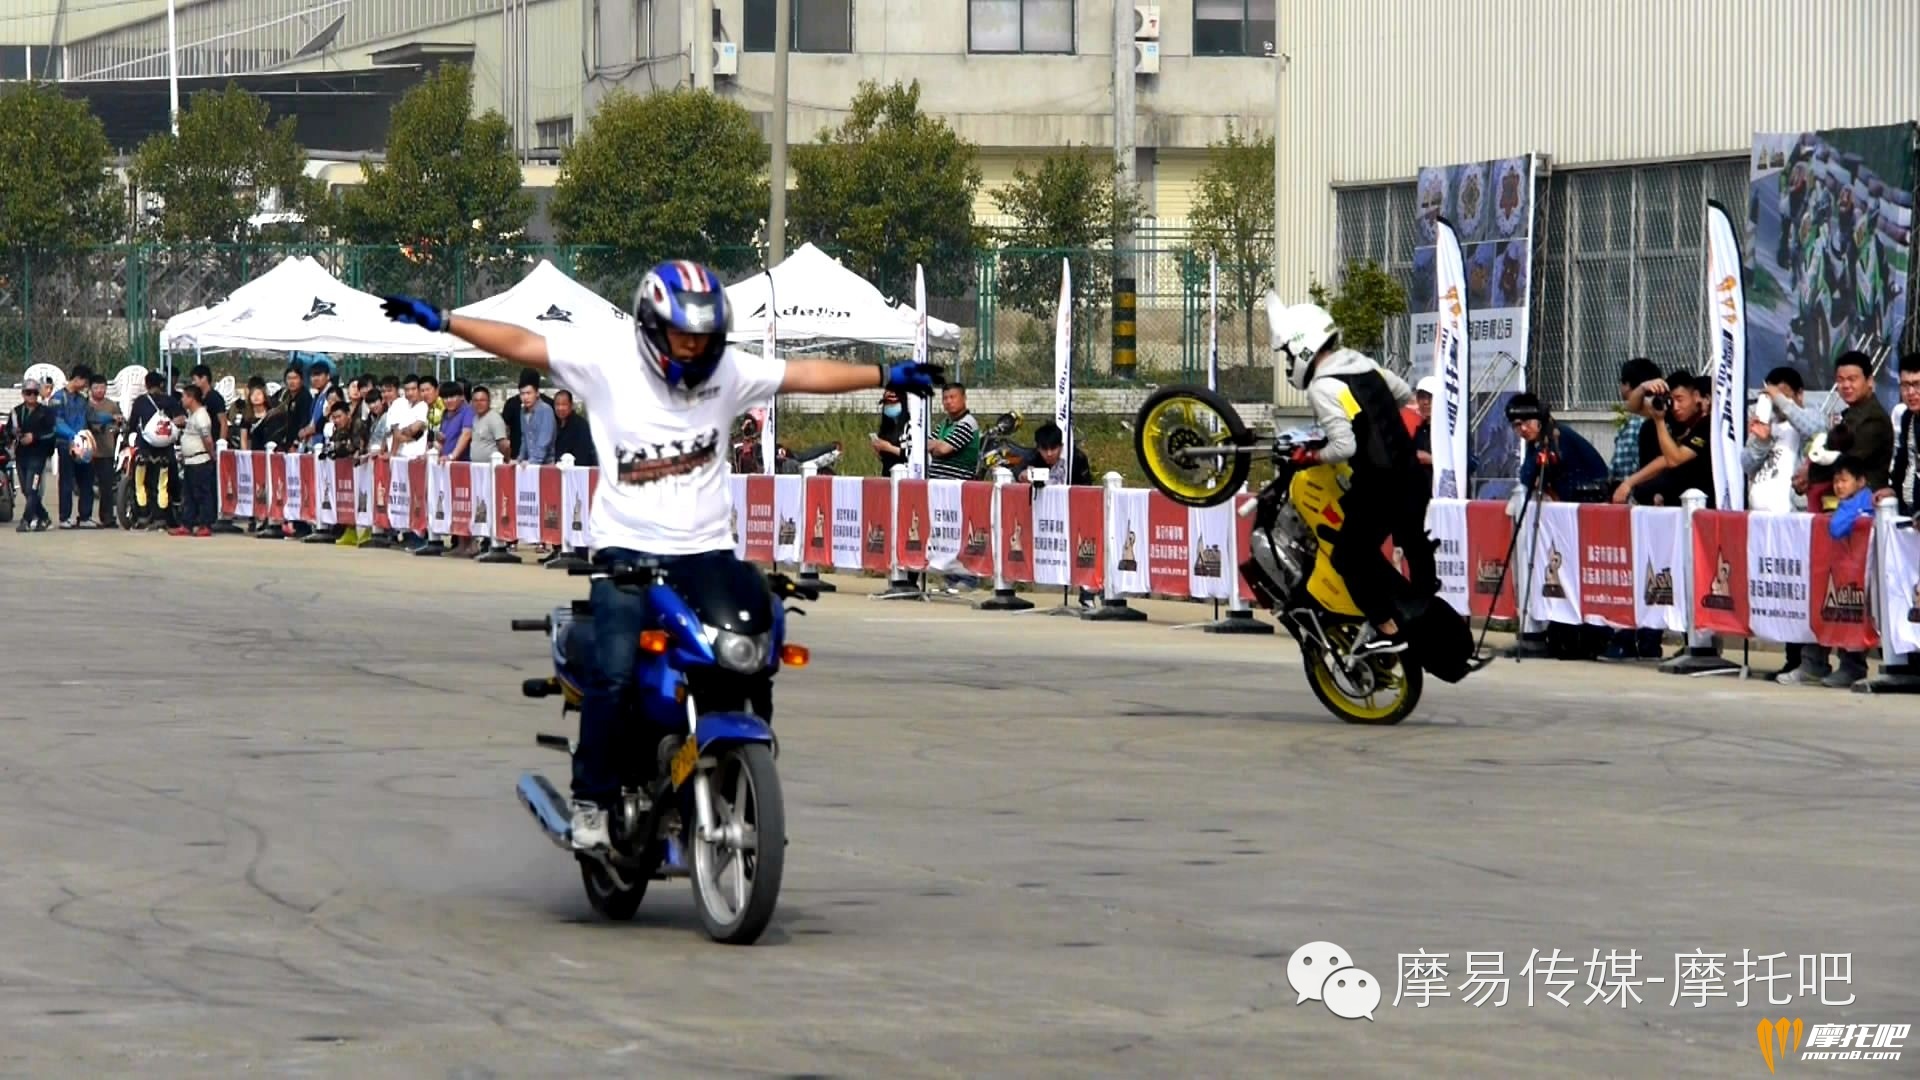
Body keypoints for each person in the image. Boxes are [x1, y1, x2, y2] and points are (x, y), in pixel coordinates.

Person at [379, 259, 944, 851]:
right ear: (652, 328)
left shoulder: (728, 371)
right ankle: (592, 799)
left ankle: (734, 771)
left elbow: (802, 374)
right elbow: (523, 343)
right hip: (626, 552)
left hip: (707, 553)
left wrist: (885, 373)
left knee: (753, 654)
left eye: (703, 336)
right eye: (682, 336)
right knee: (615, 670)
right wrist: (445, 321)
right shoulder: (607, 362)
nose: (694, 347)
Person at [1270, 298, 1432, 656]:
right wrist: (1377, 425)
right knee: (1403, 542)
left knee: (1347, 556)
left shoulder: (1322, 386)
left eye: (1288, 353)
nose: (1288, 361)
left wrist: (1312, 455)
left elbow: (1344, 446)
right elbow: (1402, 393)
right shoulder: (1362, 363)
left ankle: (1387, 630)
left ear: (1302, 346)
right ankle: (1422, 600)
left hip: (1380, 486)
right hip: (1412, 477)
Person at [1619, 370, 1713, 507]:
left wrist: (1659, 421)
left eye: (1680, 399)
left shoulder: (1707, 424)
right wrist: (1644, 387)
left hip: (1702, 500)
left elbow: (1673, 459)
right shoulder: (1674, 414)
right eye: (1671, 400)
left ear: (1696, 396)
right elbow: (1632, 406)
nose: (1675, 407)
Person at [1508, 393, 1608, 502]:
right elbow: (1526, 477)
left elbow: (1537, 476)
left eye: (1527, 422)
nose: (1523, 429)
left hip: (1591, 499)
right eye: (1517, 425)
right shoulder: (1536, 442)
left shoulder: (1558, 436)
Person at [9, 379, 56, 531]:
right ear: (23, 394)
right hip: (21, 455)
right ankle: (44, 517)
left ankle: (26, 519)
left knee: (32, 488)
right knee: (26, 490)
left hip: (38, 455)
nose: (31, 396)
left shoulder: (46, 412)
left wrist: (34, 437)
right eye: (28, 393)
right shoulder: (16, 412)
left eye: (35, 393)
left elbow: (52, 432)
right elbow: (9, 431)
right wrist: (14, 434)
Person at [172, 384, 217, 538]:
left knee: (202, 494)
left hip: (200, 461)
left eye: (184, 396)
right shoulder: (192, 415)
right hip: (190, 462)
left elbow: (207, 439)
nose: (182, 400)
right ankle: (187, 524)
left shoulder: (201, 416)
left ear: (191, 398)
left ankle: (205, 524)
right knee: (189, 495)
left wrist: (211, 454)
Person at [1012, 421, 1092, 486]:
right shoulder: (1034, 456)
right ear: (1038, 448)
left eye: (1053, 449)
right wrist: (1021, 474)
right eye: (1044, 449)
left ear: (1061, 446)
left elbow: (1087, 485)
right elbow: (1016, 468)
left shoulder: (1077, 458)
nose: (1049, 454)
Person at [870, 389, 908, 476]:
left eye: (893, 403)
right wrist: (879, 450)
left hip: (904, 475)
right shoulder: (886, 427)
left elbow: (911, 455)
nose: (889, 406)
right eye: (886, 403)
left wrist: (889, 448)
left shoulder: (910, 426)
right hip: (887, 474)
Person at [552, 390, 595, 466]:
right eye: (557, 404)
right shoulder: (553, 422)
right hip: (557, 466)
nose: (560, 408)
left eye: (564, 404)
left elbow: (583, 454)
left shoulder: (581, 425)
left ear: (571, 405)